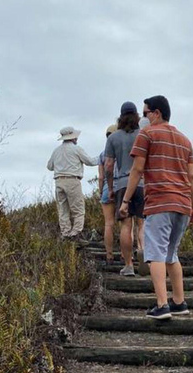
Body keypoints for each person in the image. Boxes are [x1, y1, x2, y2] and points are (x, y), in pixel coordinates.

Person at [119, 95, 193, 319]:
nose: (143, 118)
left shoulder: (147, 134)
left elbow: (137, 169)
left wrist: (126, 201)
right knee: (172, 254)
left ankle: (162, 305)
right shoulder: (185, 140)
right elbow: (191, 176)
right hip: (182, 203)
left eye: (145, 113)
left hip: (160, 202)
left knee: (156, 254)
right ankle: (179, 302)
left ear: (157, 113)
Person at [105, 101, 144, 277]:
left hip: (122, 184)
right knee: (142, 223)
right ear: (136, 116)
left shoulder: (113, 138)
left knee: (126, 225)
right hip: (142, 183)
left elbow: (108, 166)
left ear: (120, 117)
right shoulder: (143, 135)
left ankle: (128, 265)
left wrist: (111, 187)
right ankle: (142, 251)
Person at [47, 126, 99, 240]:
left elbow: (49, 166)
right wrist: (103, 156)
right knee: (78, 209)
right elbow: (90, 161)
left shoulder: (56, 151)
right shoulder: (77, 149)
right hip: (72, 180)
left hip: (59, 181)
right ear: (73, 137)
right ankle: (75, 233)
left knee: (63, 210)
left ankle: (65, 233)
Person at [98, 124, 118, 263]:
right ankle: (127, 256)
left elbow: (100, 177)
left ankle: (109, 255)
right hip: (123, 187)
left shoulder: (102, 154)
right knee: (127, 225)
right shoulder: (125, 151)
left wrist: (101, 191)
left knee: (109, 223)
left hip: (107, 188)